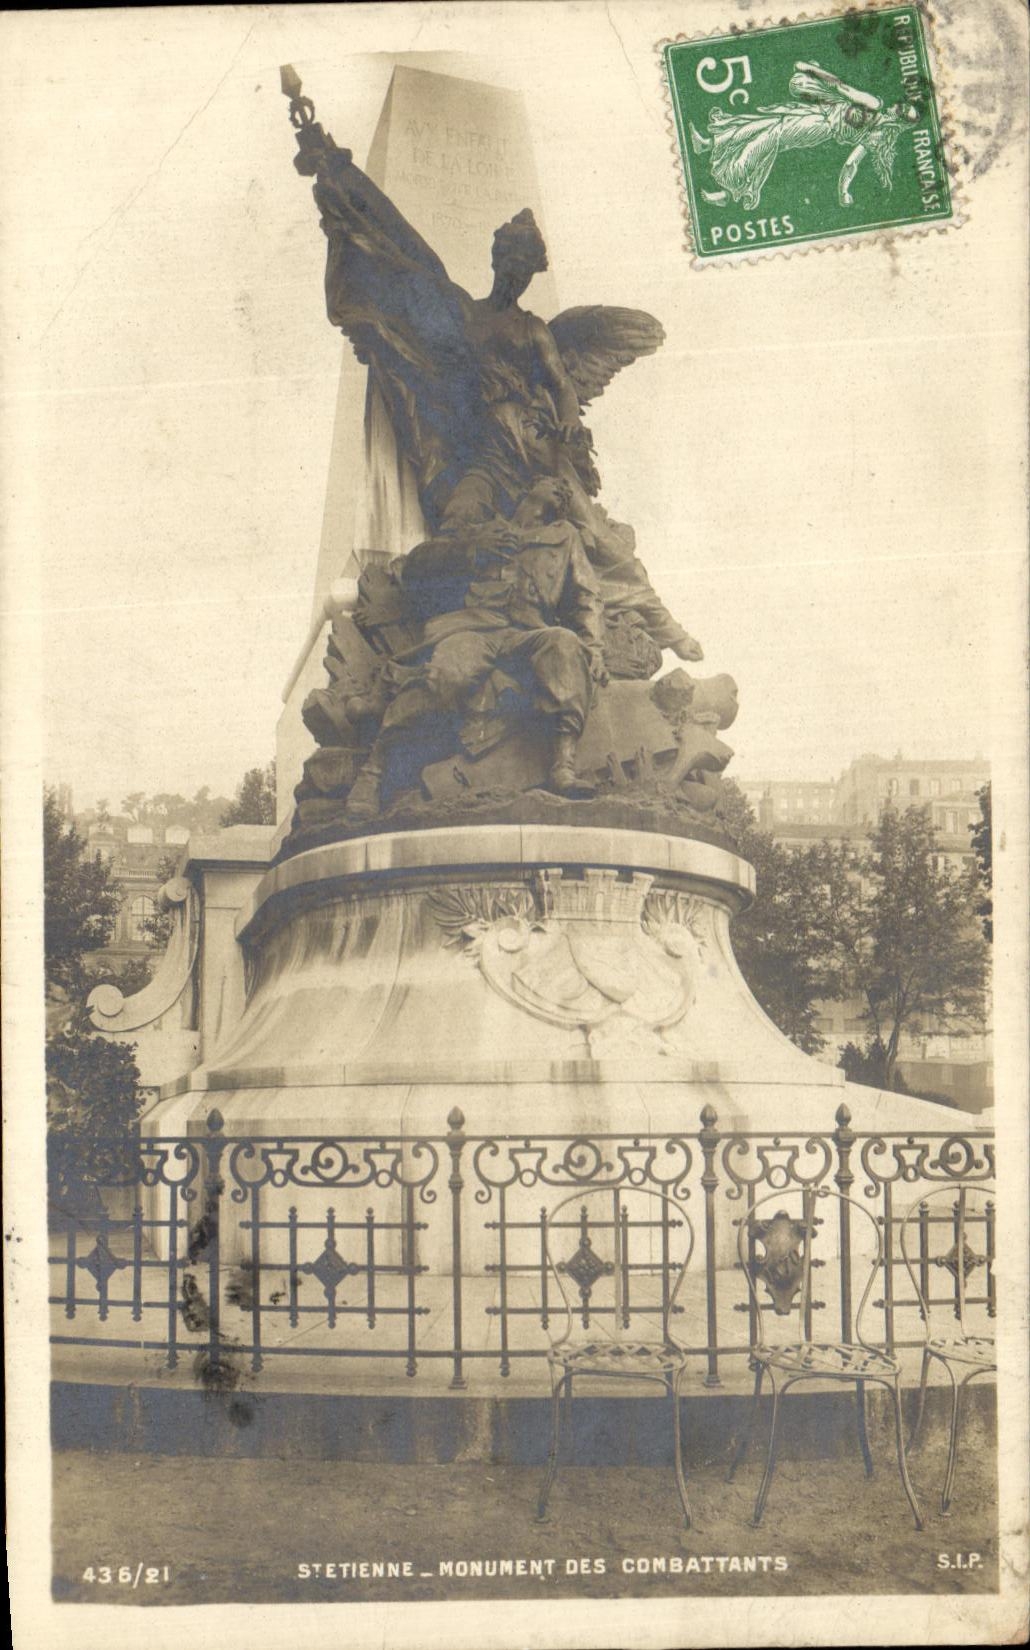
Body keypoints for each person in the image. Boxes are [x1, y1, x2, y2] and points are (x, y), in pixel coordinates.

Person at [343, 478, 607, 822]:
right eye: (550, 482)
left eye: (566, 490)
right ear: (528, 490)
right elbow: (418, 565)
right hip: (474, 626)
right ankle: (373, 771)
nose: (561, 488)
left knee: (563, 642)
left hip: (526, 633)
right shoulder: (482, 526)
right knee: (447, 675)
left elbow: (587, 596)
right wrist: (470, 550)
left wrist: (595, 647)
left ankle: (564, 764)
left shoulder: (565, 538)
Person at [690, 62, 920, 211]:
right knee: (767, 122)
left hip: (820, 125)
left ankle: (729, 187)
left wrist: (811, 69)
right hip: (818, 113)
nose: (897, 106)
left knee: (771, 135)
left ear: (900, 121)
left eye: (901, 111)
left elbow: (840, 88)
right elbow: (841, 92)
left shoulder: (875, 109)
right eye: (902, 105)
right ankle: (710, 143)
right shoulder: (877, 122)